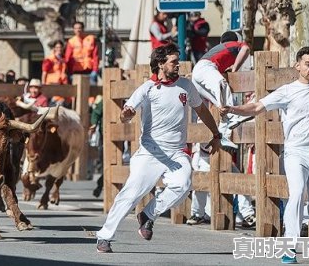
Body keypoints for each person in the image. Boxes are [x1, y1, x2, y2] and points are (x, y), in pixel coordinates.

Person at [95, 43, 222, 253]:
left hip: (176, 151)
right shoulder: (147, 88)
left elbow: (201, 110)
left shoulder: (186, 86)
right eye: (173, 62)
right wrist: (125, 115)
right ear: (160, 64)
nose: (177, 65)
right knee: (131, 193)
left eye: (177, 61)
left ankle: (147, 215)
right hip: (150, 152)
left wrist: (216, 134)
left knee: (183, 184)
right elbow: (127, 112)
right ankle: (104, 236)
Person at [221, 47, 309, 264]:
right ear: (298, 66)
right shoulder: (287, 91)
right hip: (296, 153)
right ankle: (289, 248)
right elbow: (258, 106)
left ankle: (295, 219)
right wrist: (233, 109)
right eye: (308, 64)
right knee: (296, 194)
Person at [191, 31, 250, 150]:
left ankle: (223, 134)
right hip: (205, 68)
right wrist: (235, 69)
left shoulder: (219, 51)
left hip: (197, 74)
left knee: (221, 104)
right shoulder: (233, 44)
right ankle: (233, 116)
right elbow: (246, 49)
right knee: (222, 84)